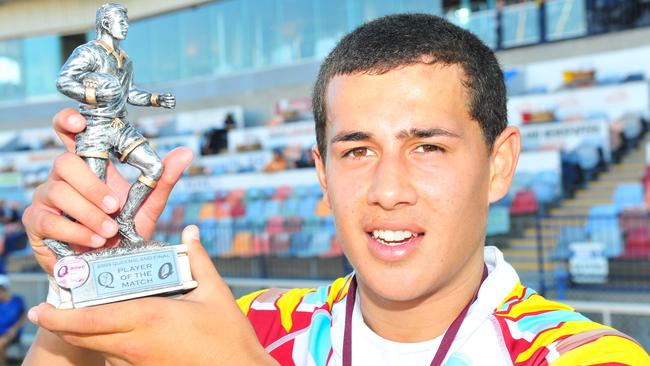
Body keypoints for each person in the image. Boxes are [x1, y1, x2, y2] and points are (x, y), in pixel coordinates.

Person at [21, 13, 650, 365]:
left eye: (427, 146)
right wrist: (85, 275)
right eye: (357, 151)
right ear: (321, 173)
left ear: (499, 164)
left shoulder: (588, 356)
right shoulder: (254, 327)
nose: (388, 189)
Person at [52, 3, 176, 254]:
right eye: (122, 22)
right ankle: (60, 237)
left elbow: (130, 93)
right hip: (96, 125)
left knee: (154, 166)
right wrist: (93, 93)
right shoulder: (88, 52)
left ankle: (125, 221)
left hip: (120, 125)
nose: (126, 27)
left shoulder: (125, 59)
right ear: (107, 24)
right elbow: (63, 80)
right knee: (93, 190)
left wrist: (155, 99)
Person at [0, 275, 25, 366]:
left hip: (12, 333)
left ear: (5, 289)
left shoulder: (17, 300)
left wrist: (13, 330)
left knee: (0, 344)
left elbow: (23, 317)